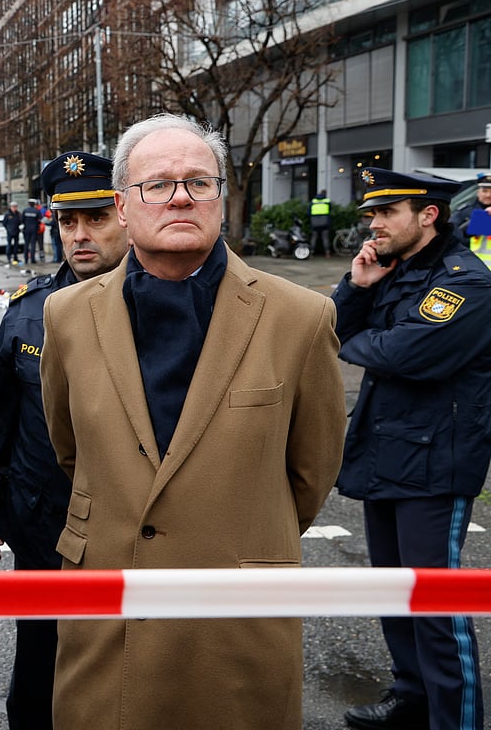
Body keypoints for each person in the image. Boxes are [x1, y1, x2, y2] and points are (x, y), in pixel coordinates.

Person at [39, 113, 346, 730]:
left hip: (236, 624)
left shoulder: (300, 318)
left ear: (220, 200)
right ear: (123, 206)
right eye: (158, 184)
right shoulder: (66, 316)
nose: (181, 195)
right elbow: (74, 452)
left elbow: (310, 475)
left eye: (199, 182)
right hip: (110, 618)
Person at [0, 151, 127, 730]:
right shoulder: (27, 310)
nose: (80, 236)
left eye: (96, 219)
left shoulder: (160, 303)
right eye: (66, 223)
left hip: (129, 527)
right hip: (43, 525)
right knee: (38, 669)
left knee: (126, 669)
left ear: (125, 214)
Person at [333, 168, 491, 730]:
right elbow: (335, 327)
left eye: (387, 211)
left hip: (436, 465)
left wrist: (358, 343)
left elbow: (408, 354)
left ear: (428, 215)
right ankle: (412, 699)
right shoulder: (394, 270)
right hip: (386, 454)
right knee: (396, 594)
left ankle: (456, 720)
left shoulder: (465, 281)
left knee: (438, 611)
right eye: (372, 213)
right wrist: (355, 287)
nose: (372, 224)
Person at [451, 172, 491, 269]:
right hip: (473, 266)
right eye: (485, 191)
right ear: (478, 192)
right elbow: (452, 235)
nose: (488, 195)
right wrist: (480, 220)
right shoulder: (465, 211)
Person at [310, 188, 333, 258]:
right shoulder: (327, 201)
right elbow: (330, 210)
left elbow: (308, 211)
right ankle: (327, 253)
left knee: (314, 237)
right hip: (324, 222)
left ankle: (311, 253)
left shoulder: (313, 201)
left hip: (315, 222)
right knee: (325, 238)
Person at [21, 198, 42, 264]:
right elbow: (40, 220)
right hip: (34, 230)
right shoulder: (36, 211)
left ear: (29, 204)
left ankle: (26, 259)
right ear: (34, 204)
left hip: (26, 229)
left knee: (26, 245)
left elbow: (22, 220)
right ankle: (32, 259)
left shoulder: (25, 210)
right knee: (33, 245)